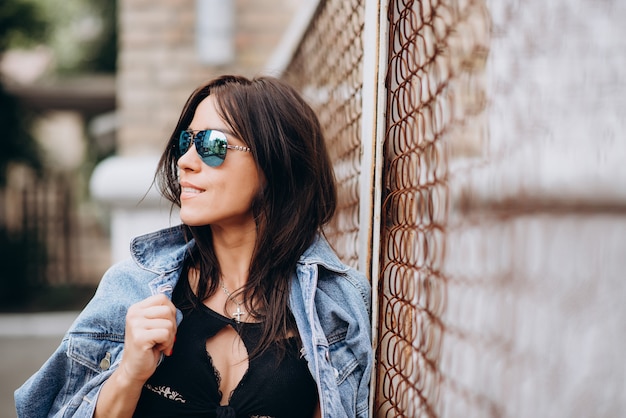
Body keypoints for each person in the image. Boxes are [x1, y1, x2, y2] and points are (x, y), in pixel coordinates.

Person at [15, 75, 373, 418]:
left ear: (276, 163)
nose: (185, 161)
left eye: (212, 145)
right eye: (186, 142)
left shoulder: (334, 306)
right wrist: (128, 375)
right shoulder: (134, 289)